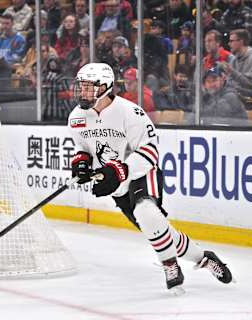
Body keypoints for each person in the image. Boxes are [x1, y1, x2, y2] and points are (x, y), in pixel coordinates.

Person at [68, 63, 233, 293]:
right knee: (158, 230)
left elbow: (150, 151)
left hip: (143, 173)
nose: (82, 92)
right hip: (119, 186)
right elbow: (82, 147)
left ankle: (170, 265)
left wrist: (120, 170)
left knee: (147, 212)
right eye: (81, 87)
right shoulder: (77, 117)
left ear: (104, 87)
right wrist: (81, 163)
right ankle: (204, 258)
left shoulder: (129, 112)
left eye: (88, 87)